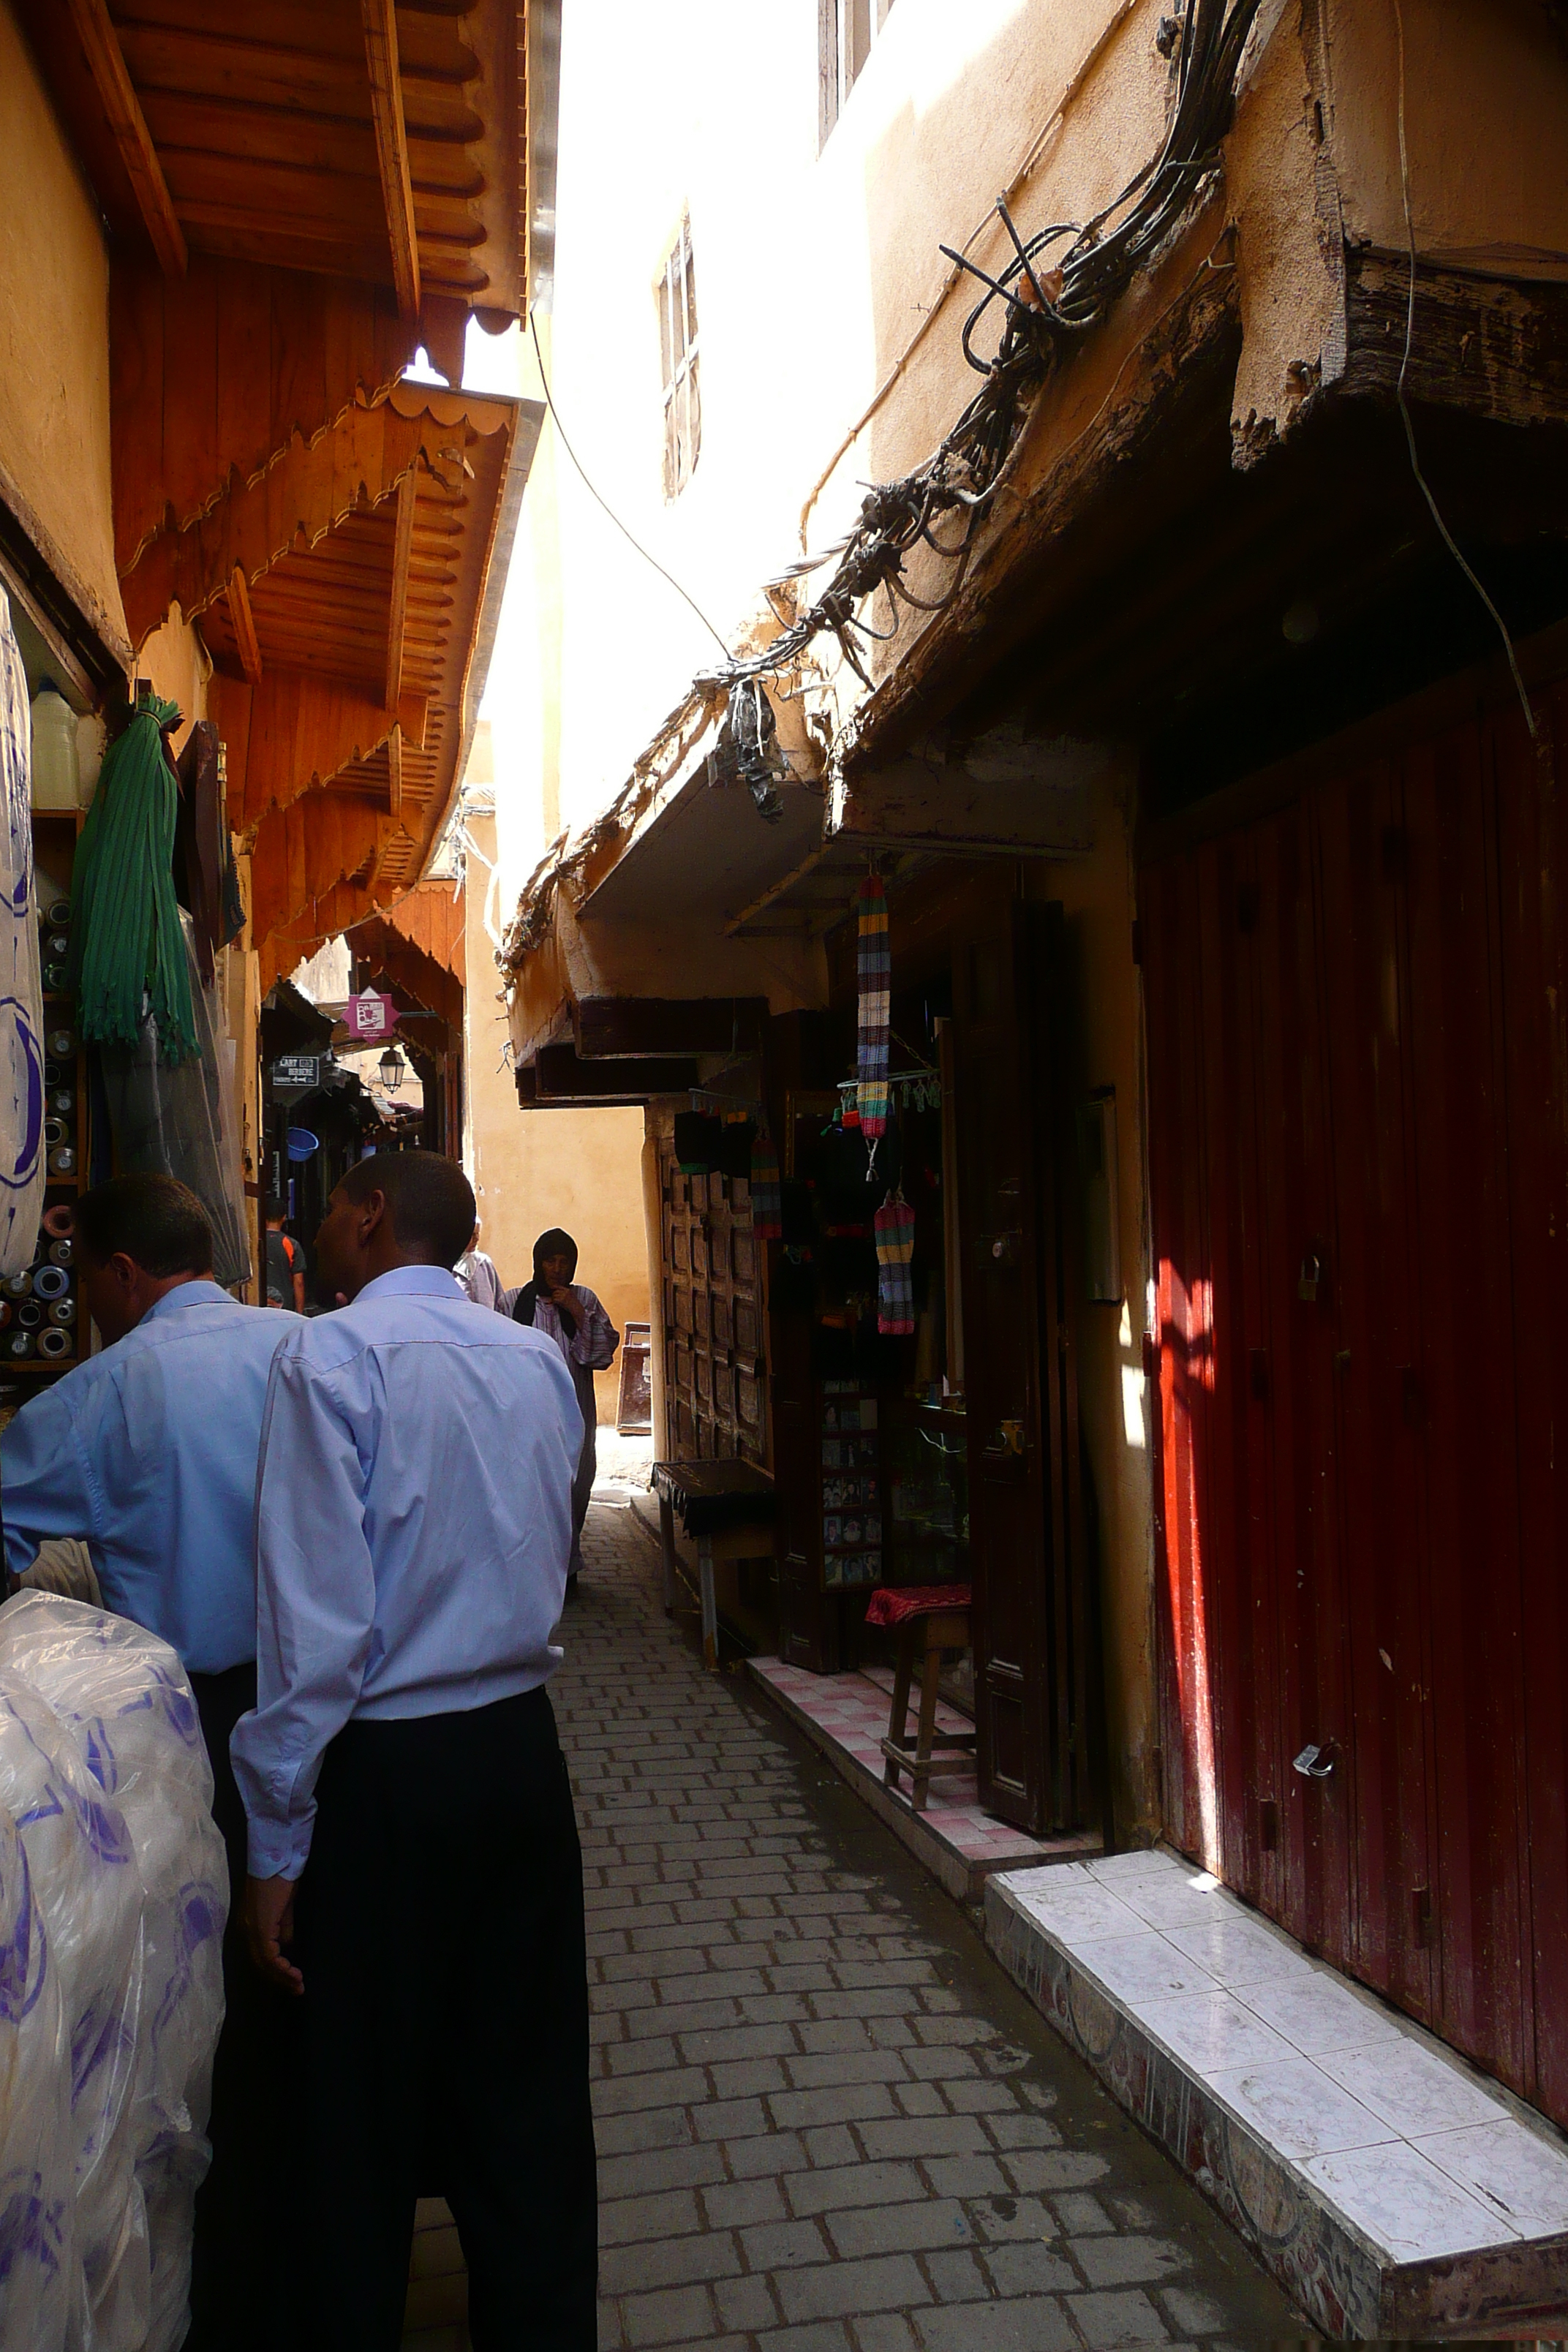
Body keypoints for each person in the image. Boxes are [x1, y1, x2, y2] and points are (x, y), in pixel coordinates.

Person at [233, 1151, 597, 2351]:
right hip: (518, 1761)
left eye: (336, 1201)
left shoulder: (327, 1356)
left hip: (386, 1775)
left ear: (371, 1213)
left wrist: (277, 1841)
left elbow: (311, 1630)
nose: (325, 1222)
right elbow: (550, 1539)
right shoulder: (533, 1358)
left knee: (360, 2106)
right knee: (525, 2089)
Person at [0, 1172, 302, 2351]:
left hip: (190, 1728)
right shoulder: (307, 1350)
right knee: (303, 1982)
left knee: (198, 1989)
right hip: (329, 1714)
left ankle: (215, 2263)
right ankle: (301, 2241)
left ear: (122, 1277)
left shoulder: (108, 1387)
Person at [502, 1228, 619, 1583]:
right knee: (531, 1487)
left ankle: (566, 1568)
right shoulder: (512, 1302)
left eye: (564, 1262)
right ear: (538, 1263)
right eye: (550, 1261)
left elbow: (597, 1356)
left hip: (575, 1412)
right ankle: (534, 1571)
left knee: (576, 1485)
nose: (557, 1269)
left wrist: (578, 1312)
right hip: (529, 1414)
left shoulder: (585, 1299)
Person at [263, 1194, 306, 1311]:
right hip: (285, 1309)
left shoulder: (254, 1242)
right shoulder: (291, 1244)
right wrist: (300, 1314)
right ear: (284, 1218)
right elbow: (299, 1282)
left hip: (258, 1307)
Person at [454, 1217, 502, 1311]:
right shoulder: (448, 1265)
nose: (477, 1239)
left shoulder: (483, 1263)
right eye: (472, 1235)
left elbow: (499, 1300)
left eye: (478, 1234)